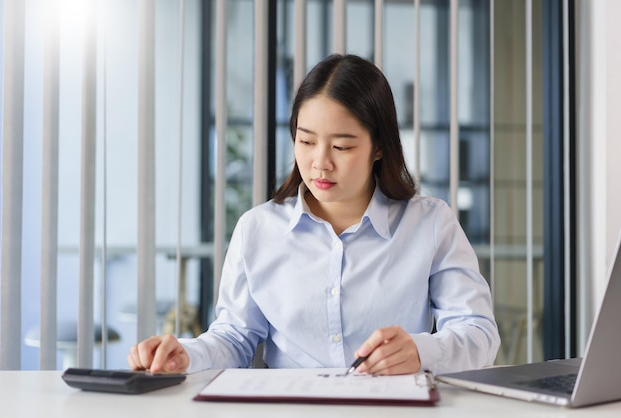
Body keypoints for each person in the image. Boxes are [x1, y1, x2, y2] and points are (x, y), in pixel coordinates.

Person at [128, 54, 500, 376]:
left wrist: (421, 352)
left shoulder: (430, 224)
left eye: (341, 146)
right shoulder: (258, 229)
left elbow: (479, 332)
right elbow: (235, 339)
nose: (320, 162)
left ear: (379, 148)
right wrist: (186, 355)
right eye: (305, 141)